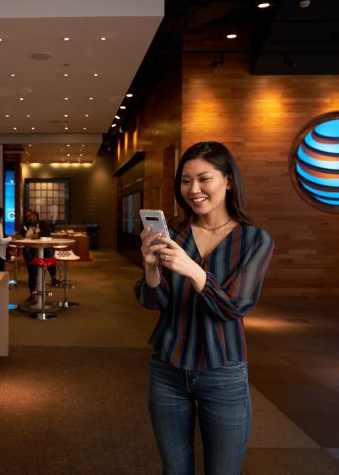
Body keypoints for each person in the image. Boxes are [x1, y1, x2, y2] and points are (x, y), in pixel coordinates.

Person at [134, 141, 274, 475]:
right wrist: (151, 266)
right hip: (167, 366)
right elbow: (156, 301)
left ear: (228, 180)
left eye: (203, 179)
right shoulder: (174, 231)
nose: (193, 190)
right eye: (185, 181)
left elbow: (235, 306)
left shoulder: (256, 240)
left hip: (222, 370)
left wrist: (193, 270)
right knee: (175, 470)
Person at [20, 209, 60, 303]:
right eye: (28, 216)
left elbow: (47, 232)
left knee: (49, 252)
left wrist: (38, 234)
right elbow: (21, 234)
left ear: (36, 215)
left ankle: (53, 277)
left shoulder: (43, 224)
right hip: (30, 251)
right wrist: (19, 236)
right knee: (32, 271)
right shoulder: (26, 226)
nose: (29, 218)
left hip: (44, 250)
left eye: (30, 215)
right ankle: (32, 293)